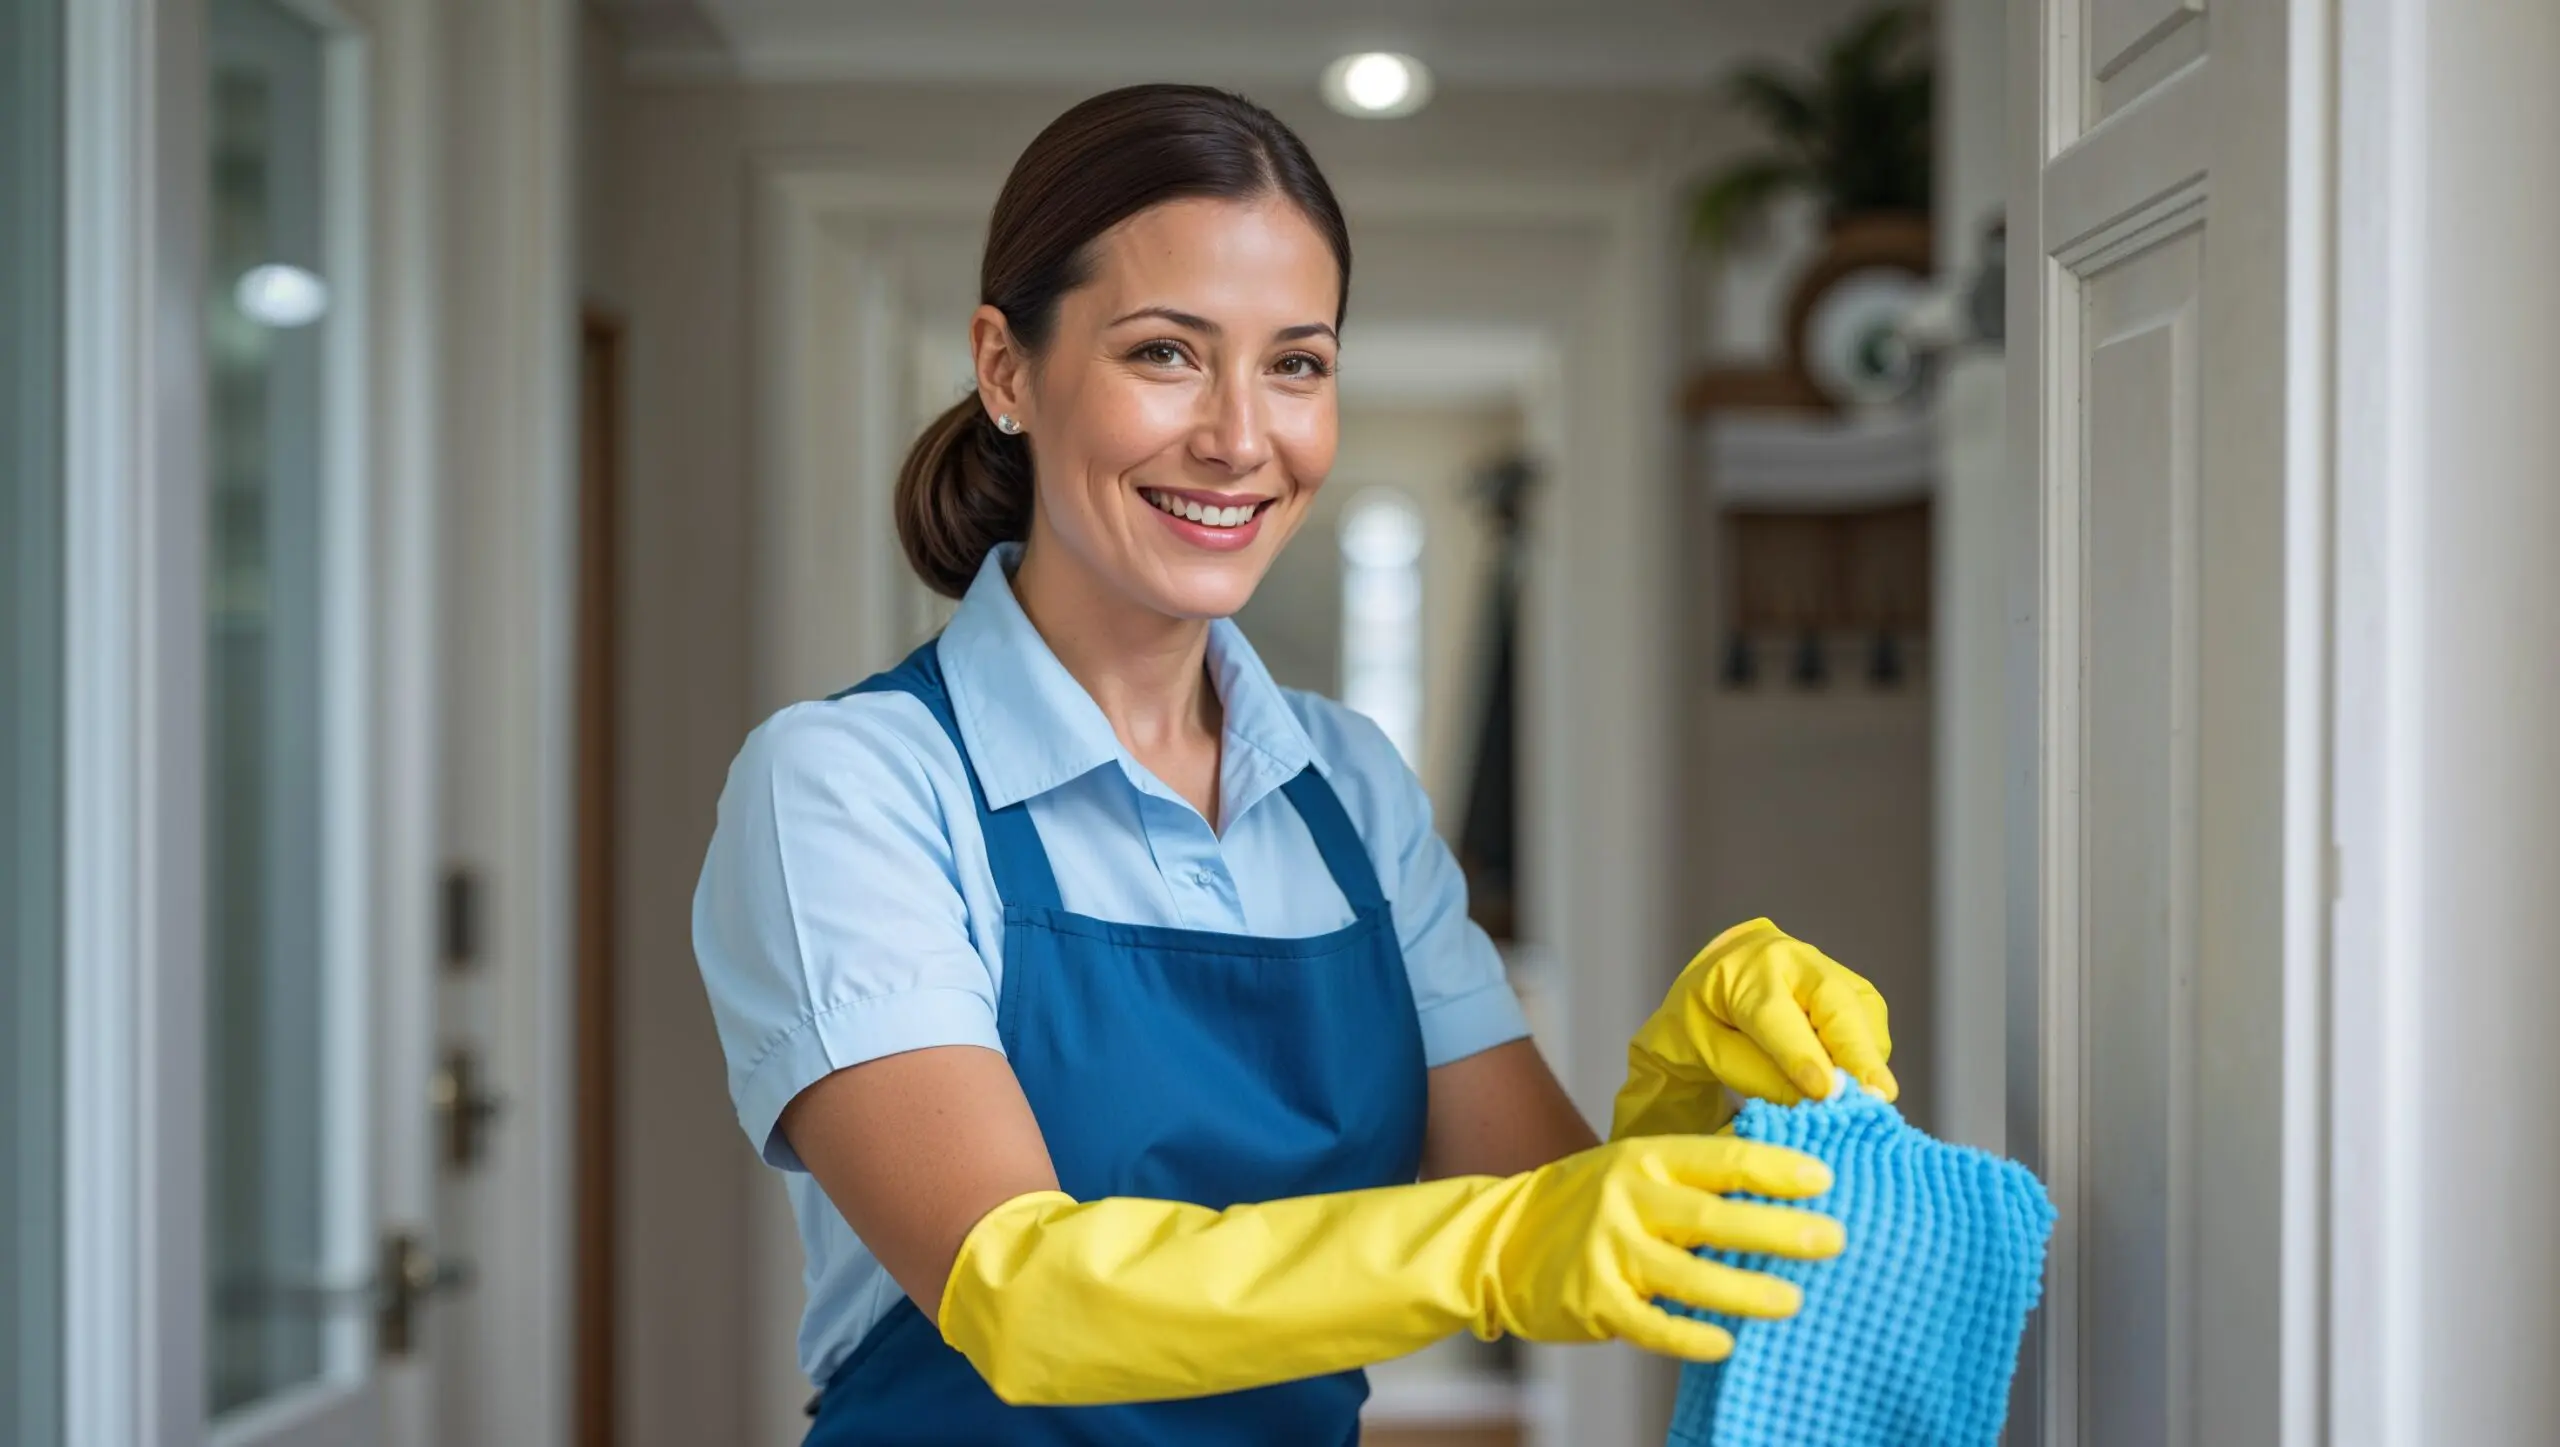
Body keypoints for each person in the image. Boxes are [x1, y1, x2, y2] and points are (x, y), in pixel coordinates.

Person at [692, 83, 1898, 1447]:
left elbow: (1558, 1221)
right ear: (1007, 368)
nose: (1240, 436)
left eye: (1298, 363)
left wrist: (1688, 1077)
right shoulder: (853, 783)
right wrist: (1490, 1247)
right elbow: (1017, 1294)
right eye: (1165, 352)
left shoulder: (1347, 787)